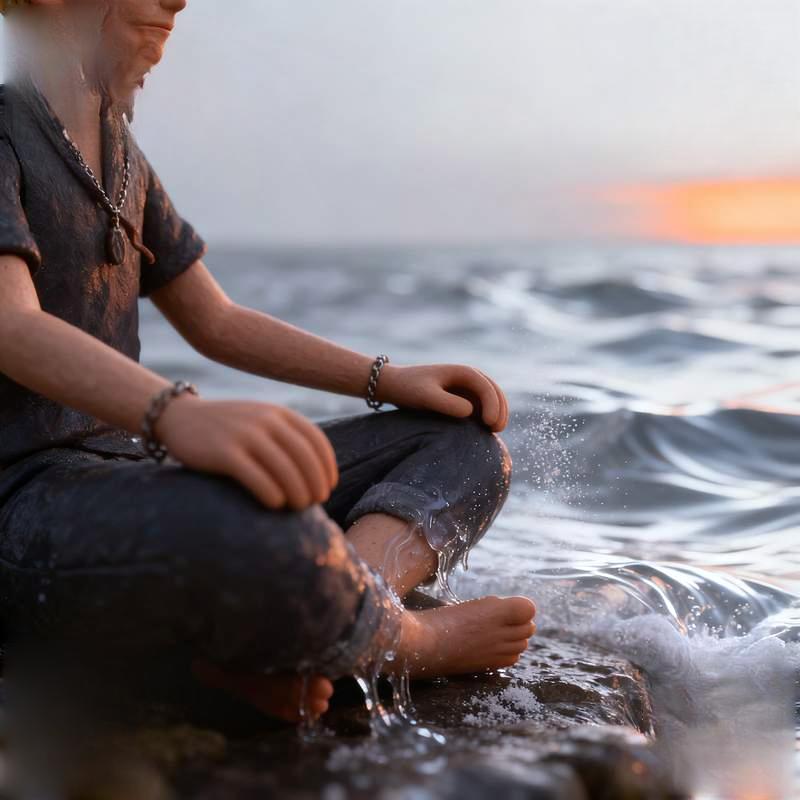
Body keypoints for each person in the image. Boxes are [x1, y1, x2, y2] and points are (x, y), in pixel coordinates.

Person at [0, 0, 536, 725]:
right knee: (252, 518)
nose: (177, 3)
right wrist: (174, 414)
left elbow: (216, 320)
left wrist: (387, 379)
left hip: (132, 478)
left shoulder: (118, 151)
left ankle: (319, 623)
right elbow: (12, 325)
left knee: (464, 448)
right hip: (27, 510)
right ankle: (403, 640)